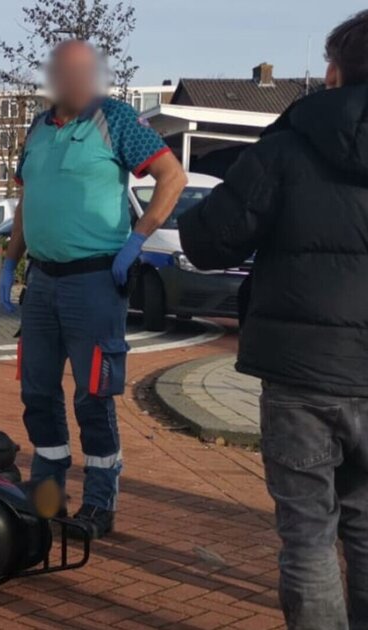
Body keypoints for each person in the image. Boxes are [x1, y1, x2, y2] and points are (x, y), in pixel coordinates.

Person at [178, 11, 368, 629]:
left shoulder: (289, 145)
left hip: (303, 374)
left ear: (336, 70)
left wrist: (205, 199)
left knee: (310, 535)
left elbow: (211, 244)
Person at [0, 40, 186, 539]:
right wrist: (10, 262)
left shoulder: (117, 119)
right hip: (42, 284)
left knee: (93, 397)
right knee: (37, 392)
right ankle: (47, 498)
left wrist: (137, 239)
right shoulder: (37, 129)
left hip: (95, 283)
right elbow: (27, 201)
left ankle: (100, 504)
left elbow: (173, 177)